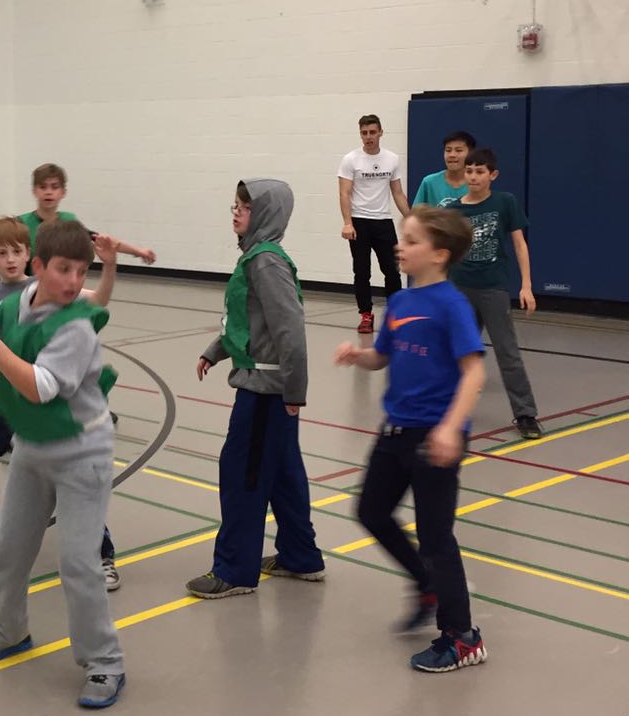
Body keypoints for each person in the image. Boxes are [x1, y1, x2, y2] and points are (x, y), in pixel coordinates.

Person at [0, 220, 125, 709]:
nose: (74, 281)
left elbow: (39, 387)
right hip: (31, 447)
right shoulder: (9, 308)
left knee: (78, 563)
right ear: (38, 267)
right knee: (6, 549)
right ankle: (10, 629)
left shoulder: (76, 328)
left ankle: (105, 660)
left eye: (82, 271)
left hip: (83, 454)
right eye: (63, 270)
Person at [335, 206, 488, 673]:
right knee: (371, 511)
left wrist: (450, 428)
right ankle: (426, 583)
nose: (401, 246)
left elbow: (473, 371)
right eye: (402, 237)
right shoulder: (400, 302)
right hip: (395, 429)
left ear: (439, 254)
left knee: (436, 535)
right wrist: (357, 355)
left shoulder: (451, 304)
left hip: (434, 435)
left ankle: (463, 637)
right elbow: (383, 356)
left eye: (412, 240)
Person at [186, 179, 325, 599]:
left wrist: (294, 392)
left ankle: (234, 570)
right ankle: (301, 556)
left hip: (266, 392)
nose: (236, 212)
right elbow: (248, 321)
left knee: (242, 475)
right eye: (234, 205)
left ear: (264, 215)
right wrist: (216, 351)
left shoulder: (266, 263)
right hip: (268, 386)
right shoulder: (256, 258)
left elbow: (290, 332)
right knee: (282, 474)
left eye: (244, 207)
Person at [444, 146, 541, 438]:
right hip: (460, 288)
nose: (473, 176)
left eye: (480, 171)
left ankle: (525, 414)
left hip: (493, 288)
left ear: (492, 175)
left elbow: (520, 245)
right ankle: (446, 407)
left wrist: (526, 285)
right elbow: (445, 253)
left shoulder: (504, 202)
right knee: (456, 352)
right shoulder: (453, 210)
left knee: (507, 352)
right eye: (469, 171)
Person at [338, 114, 411, 334]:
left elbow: (397, 192)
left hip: (383, 221)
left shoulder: (392, 159)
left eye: (372, 132)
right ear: (360, 134)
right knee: (362, 271)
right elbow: (344, 193)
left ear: (380, 132)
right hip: (359, 222)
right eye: (364, 133)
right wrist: (347, 223)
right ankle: (366, 315)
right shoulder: (350, 159)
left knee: (392, 270)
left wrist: (411, 218)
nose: (368, 137)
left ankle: (395, 313)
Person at [19, 162, 154, 263]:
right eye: (43, 187)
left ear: (63, 192)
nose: (48, 192)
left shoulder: (69, 221)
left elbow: (104, 240)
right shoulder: (21, 224)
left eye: (54, 187)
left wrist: (138, 251)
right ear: (34, 191)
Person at [412, 129, 475, 207]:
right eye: (448, 150)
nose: (452, 155)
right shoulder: (429, 182)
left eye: (458, 150)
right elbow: (416, 213)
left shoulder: (476, 183)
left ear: (471, 153)